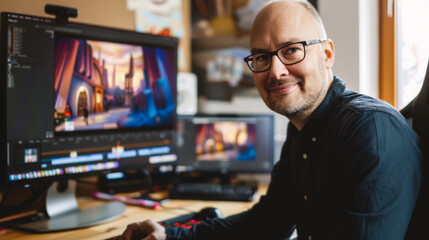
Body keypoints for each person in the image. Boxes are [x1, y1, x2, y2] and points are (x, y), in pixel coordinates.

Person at [120, 0, 423, 239]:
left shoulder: (370, 132)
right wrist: (170, 236)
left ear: (327, 54)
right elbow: (266, 225)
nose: (275, 71)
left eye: (292, 50)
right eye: (262, 57)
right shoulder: (302, 133)